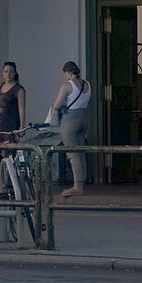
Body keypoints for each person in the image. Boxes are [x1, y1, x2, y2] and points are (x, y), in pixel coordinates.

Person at [48, 61, 91, 196]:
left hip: (70, 120)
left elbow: (57, 104)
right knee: (81, 150)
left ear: (68, 72)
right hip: (84, 119)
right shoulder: (87, 85)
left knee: (72, 153)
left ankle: (78, 186)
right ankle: (82, 181)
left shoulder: (67, 86)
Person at [0, 62, 28, 163]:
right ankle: (3, 170)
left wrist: (22, 127)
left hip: (11, 126)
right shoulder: (1, 86)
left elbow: (21, 108)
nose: (8, 74)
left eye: (11, 72)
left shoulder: (18, 89)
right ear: (3, 73)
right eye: (6, 72)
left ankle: (12, 175)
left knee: (10, 153)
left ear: (15, 73)